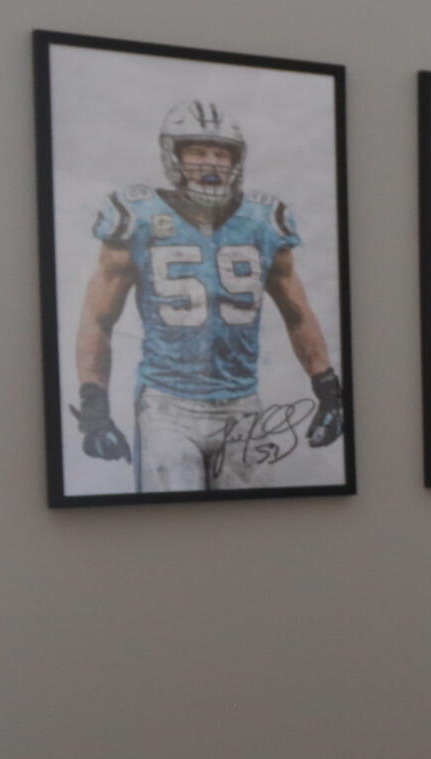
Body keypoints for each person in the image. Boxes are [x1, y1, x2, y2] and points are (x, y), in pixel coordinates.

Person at [74, 99, 344, 491]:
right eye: (197, 152)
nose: (211, 163)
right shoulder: (139, 215)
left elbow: (298, 314)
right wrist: (94, 407)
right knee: (173, 523)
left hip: (242, 403)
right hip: (167, 406)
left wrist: (329, 393)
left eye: (221, 153)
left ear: (236, 160)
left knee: (254, 522)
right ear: (174, 157)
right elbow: (99, 319)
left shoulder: (262, 220)